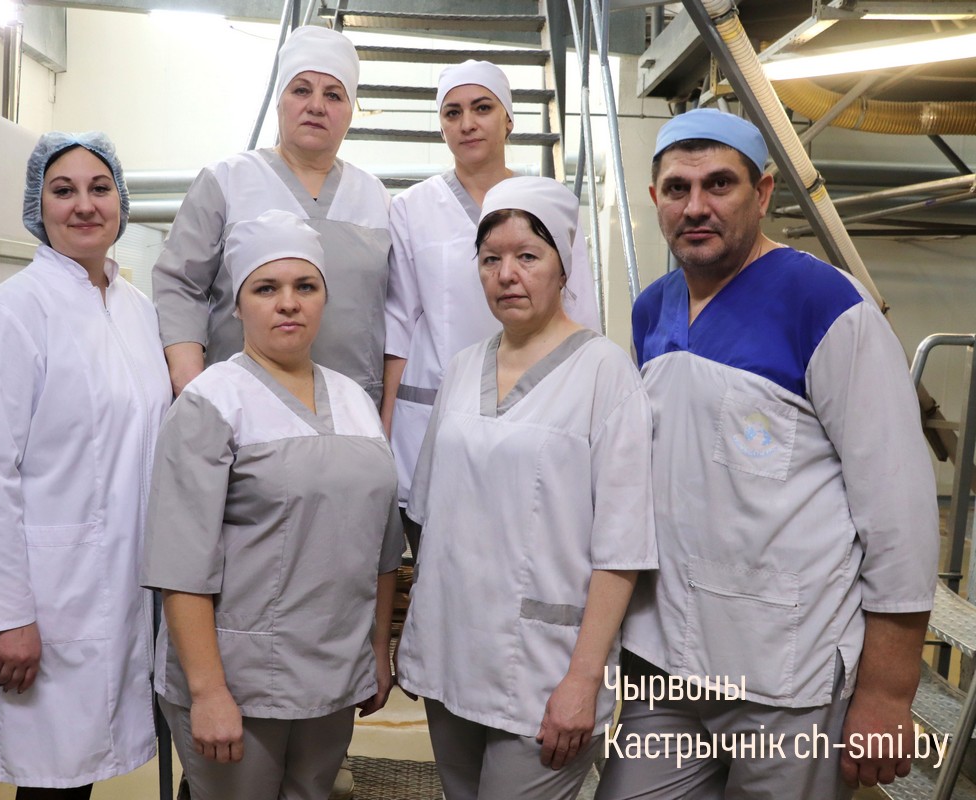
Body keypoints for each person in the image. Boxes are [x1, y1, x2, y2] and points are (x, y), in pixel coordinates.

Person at [595, 108, 938, 800]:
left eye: (719, 184)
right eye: (677, 188)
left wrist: (888, 691)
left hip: (789, 671)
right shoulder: (650, 310)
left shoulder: (827, 305)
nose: (696, 206)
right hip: (664, 662)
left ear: (763, 192)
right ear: (656, 197)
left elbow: (899, 510)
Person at [396, 177, 657, 800]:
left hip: (545, 669)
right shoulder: (463, 368)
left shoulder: (606, 374)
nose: (506, 275)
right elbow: (431, 516)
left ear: (563, 266)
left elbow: (622, 550)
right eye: (491, 259)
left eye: (527, 256)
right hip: (451, 655)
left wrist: (583, 680)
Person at [142, 210, 404, 800]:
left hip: (334, 671)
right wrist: (208, 691)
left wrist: (375, 651)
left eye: (305, 286)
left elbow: (383, 546)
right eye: (266, 288)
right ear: (238, 305)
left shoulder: (355, 401)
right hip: (239, 679)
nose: (288, 303)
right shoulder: (211, 402)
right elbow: (179, 565)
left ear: (324, 298)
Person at [0, 131, 171, 798]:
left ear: (121, 202)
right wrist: (9, 616)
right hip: (51, 598)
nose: (84, 204)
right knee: (54, 783)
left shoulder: (138, 311)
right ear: (38, 206)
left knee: (95, 766)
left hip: (130, 586)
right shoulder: (13, 310)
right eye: (63, 190)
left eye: (99, 188)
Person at [381, 60, 601, 556]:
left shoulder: (551, 205)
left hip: (536, 411)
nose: (467, 123)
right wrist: (386, 428)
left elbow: (581, 311)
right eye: (452, 113)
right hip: (432, 415)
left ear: (509, 119)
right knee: (437, 561)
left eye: (482, 108)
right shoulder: (412, 208)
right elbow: (398, 323)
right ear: (441, 126)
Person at [153, 24, 390, 405]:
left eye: (333, 94)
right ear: (279, 101)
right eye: (301, 90)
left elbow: (394, 311)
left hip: (352, 409)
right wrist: (194, 385)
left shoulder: (375, 197)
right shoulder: (227, 180)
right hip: (241, 407)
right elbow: (180, 284)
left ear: (350, 111)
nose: (316, 106)